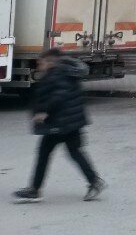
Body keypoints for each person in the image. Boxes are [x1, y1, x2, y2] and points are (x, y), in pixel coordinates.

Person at [13, 48, 105, 203]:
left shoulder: (57, 74)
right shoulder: (65, 71)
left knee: (45, 154)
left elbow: (59, 96)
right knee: (74, 152)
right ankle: (94, 181)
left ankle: (35, 190)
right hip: (70, 121)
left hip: (60, 124)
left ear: (49, 62)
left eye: (40, 63)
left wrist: (44, 111)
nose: (39, 66)